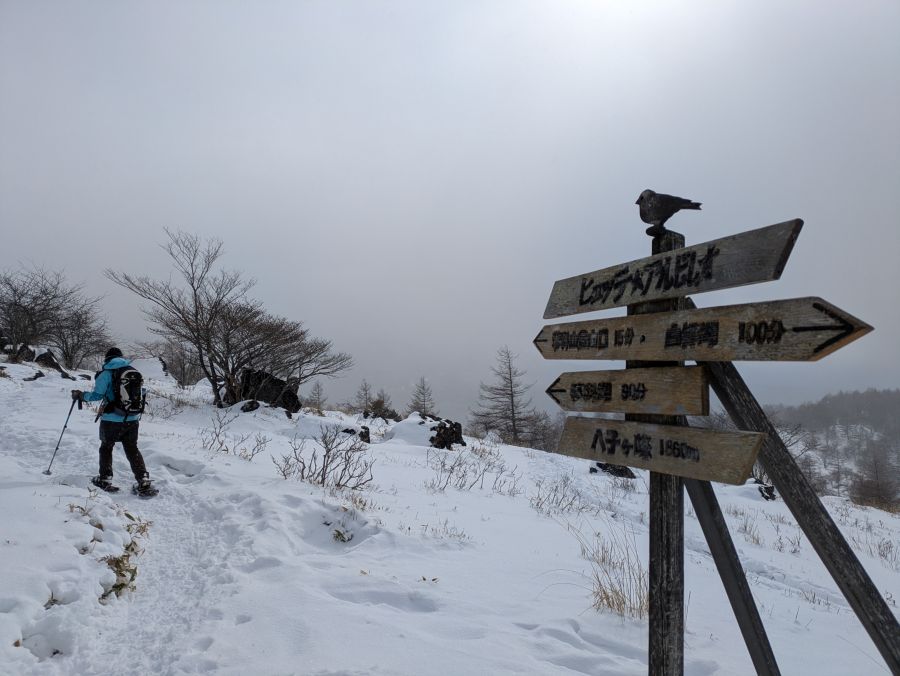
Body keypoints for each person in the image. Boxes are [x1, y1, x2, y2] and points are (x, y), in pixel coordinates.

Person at [72, 347, 155, 495]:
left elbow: (97, 395)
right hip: (132, 418)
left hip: (111, 419)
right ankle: (143, 480)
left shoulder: (106, 373)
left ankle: (105, 479)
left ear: (107, 359)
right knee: (132, 448)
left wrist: (82, 396)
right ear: (121, 357)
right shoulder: (132, 371)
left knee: (106, 447)